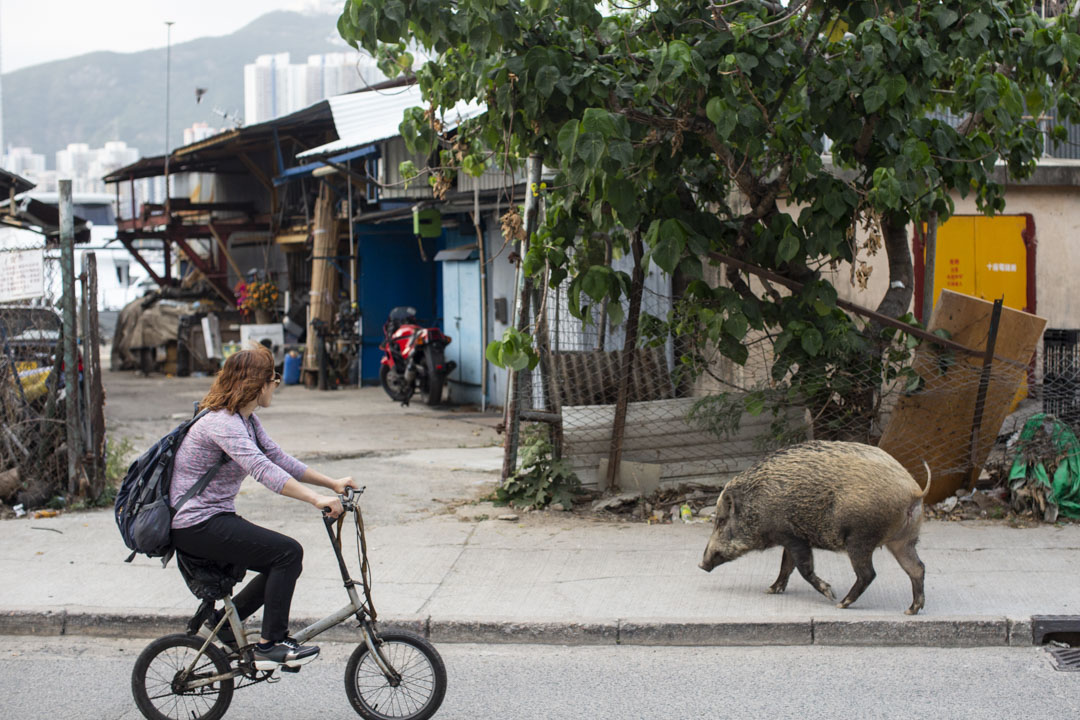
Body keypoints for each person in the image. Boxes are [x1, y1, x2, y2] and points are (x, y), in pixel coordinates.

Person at [170, 344, 360, 669]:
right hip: (194, 524)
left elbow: (278, 458)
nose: (276, 385)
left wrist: (331, 484)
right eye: (273, 378)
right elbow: (263, 470)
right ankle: (270, 644)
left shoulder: (247, 421)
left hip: (212, 518)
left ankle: (228, 626)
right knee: (286, 553)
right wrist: (316, 500)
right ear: (256, 383)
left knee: (282, 559)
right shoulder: (223, 424)